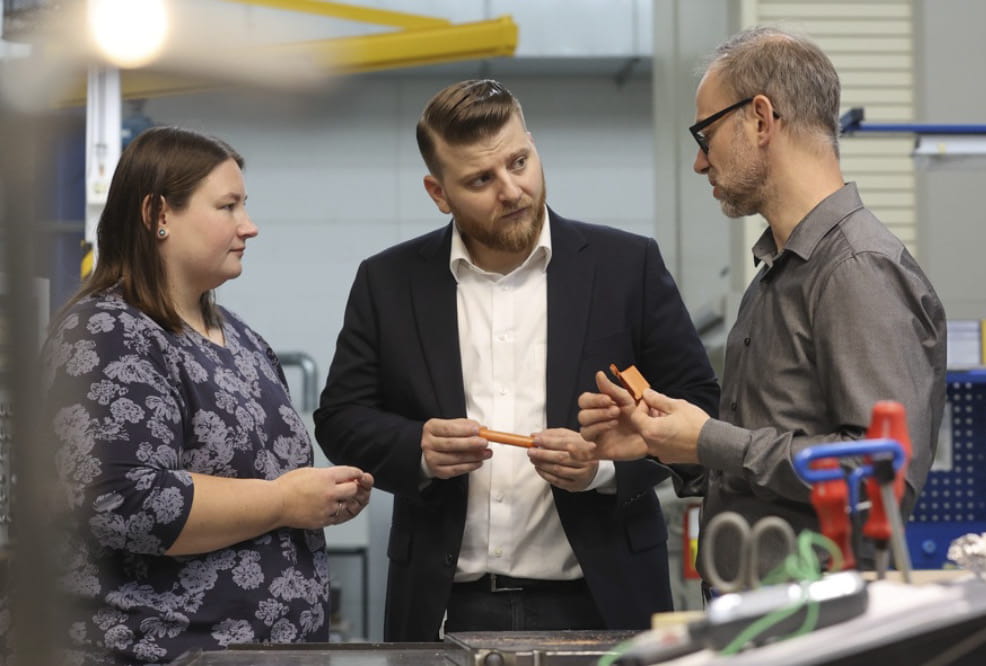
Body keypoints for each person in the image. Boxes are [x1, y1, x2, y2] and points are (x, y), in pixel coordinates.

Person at [314, 79, 720, 641]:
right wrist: (418, 449)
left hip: (603, 598)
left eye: (519, 161)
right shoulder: (388, 281)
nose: (512, 190)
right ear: (438, 192)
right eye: (481, 179)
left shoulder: (627, 268)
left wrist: (603, 469)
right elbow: (340, 418)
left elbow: (700, 407)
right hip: (443, 607)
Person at [575, 26, 947, 585]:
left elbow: (877, 480)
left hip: (817, 624)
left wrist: (709, 438)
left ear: (761, 119)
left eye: (706, 134)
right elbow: (761, 466)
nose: (701, 164)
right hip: (761, 617)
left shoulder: (856, 268)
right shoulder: (777, 274)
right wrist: (671, 446)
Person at [42, 126, 374, 665]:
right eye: (228, 207)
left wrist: (317, 499)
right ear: (159, 215)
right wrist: (284, 501)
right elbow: (127, 502)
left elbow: (261, 486)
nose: (250, 226)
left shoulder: (241, 338)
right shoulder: (107, 331)